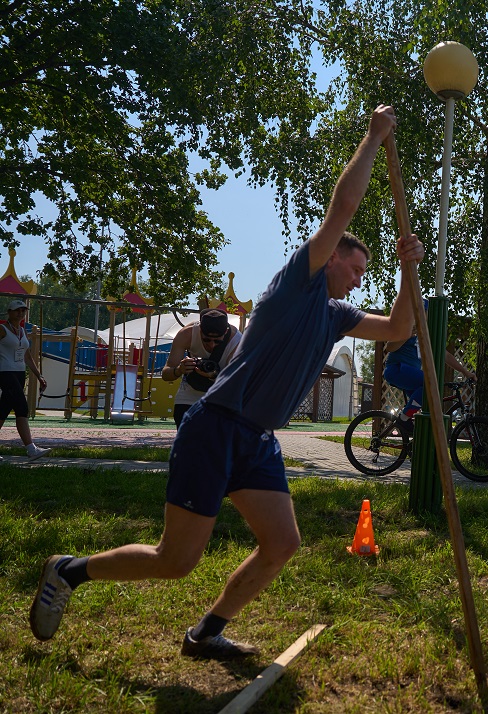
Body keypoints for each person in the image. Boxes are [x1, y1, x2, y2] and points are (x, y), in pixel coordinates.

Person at [30, 104, 424, 659]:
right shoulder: (298, 282)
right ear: (330, 258)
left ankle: (206, 633)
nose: (358, 278)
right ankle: (70, 571)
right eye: (355, 268)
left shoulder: (336, 317)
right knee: (177, 560)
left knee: (283, 543)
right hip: (215, 426)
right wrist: (374, 135)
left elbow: (401, 326)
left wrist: (410, 273)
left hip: (258, 440)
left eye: (364, 273)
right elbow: (345, 205)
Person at [384, 316, 476, 434]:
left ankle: (412, 442)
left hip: (408, 373)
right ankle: (403, 419)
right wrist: (407, 335)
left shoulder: (427, 336)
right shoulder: (405, 327)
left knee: (427, 402)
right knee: (430, 382)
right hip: (396, 370)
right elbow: (389, 347)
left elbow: (446, 356)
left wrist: (465, 372)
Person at [161, 308, 242, 424]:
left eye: (217, 341)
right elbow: (166, 374)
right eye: (206, 340)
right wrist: (179, 370)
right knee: (185, 440)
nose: (212, 345)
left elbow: (237, 382)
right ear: (199, 330)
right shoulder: (186, 334)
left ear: (225, 332)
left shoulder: (237, 342)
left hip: (221, 398)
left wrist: (214, 376)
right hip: (189, 394)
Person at [0, 299, 51, 461]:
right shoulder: (2, 329)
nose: (21, 313)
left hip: (19, 373)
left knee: (3, 411)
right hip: (5, 373)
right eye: (17, 310)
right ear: (9, 312)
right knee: (22, 408)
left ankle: (31, 449)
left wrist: (39, 375)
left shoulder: (22, 331)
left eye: (23, 310)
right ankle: (31, 449)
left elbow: (27, 355)